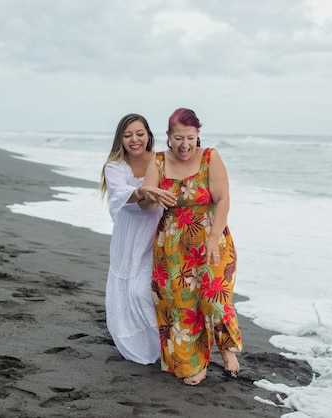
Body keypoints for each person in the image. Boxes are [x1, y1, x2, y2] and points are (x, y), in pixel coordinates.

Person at [140, 108, 242, 385]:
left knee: (214, 298)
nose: (184, 145)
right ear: (168, 137)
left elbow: (223, 200)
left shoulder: (210, 157)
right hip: (173, 245)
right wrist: (149, 194)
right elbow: (146, 202)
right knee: (182, 306)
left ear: (198, 135)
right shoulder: (158, 161)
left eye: (190, 137)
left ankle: (228, 349)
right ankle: (197, 362)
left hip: (213, 238)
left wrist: (211, 238)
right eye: (178, 138)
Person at [100, 113, 176, 364]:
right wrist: (142, 190)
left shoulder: (161, 160)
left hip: (156, 230)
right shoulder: (114, 166)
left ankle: (166, 345)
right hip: (129, 233)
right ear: (120, 139)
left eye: (139, 133)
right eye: (128, 135)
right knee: (128, 290)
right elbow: (121, 193)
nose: (134, 139)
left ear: (148, 135)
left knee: (144, 289)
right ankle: (140, 344)